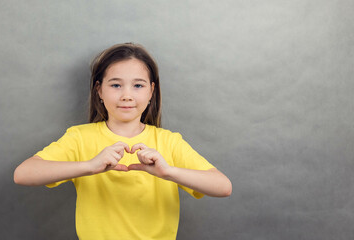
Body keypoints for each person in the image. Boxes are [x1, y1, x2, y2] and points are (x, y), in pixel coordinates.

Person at [14, 43, 232, 240]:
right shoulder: (79, 137)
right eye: (116, 85)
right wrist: (89, 166)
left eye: (138, 86)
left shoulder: (169, 142)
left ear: (151, 92)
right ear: (99, 90)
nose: (127, 95)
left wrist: (168, 172)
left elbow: (223, 186)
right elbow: (23, 174)